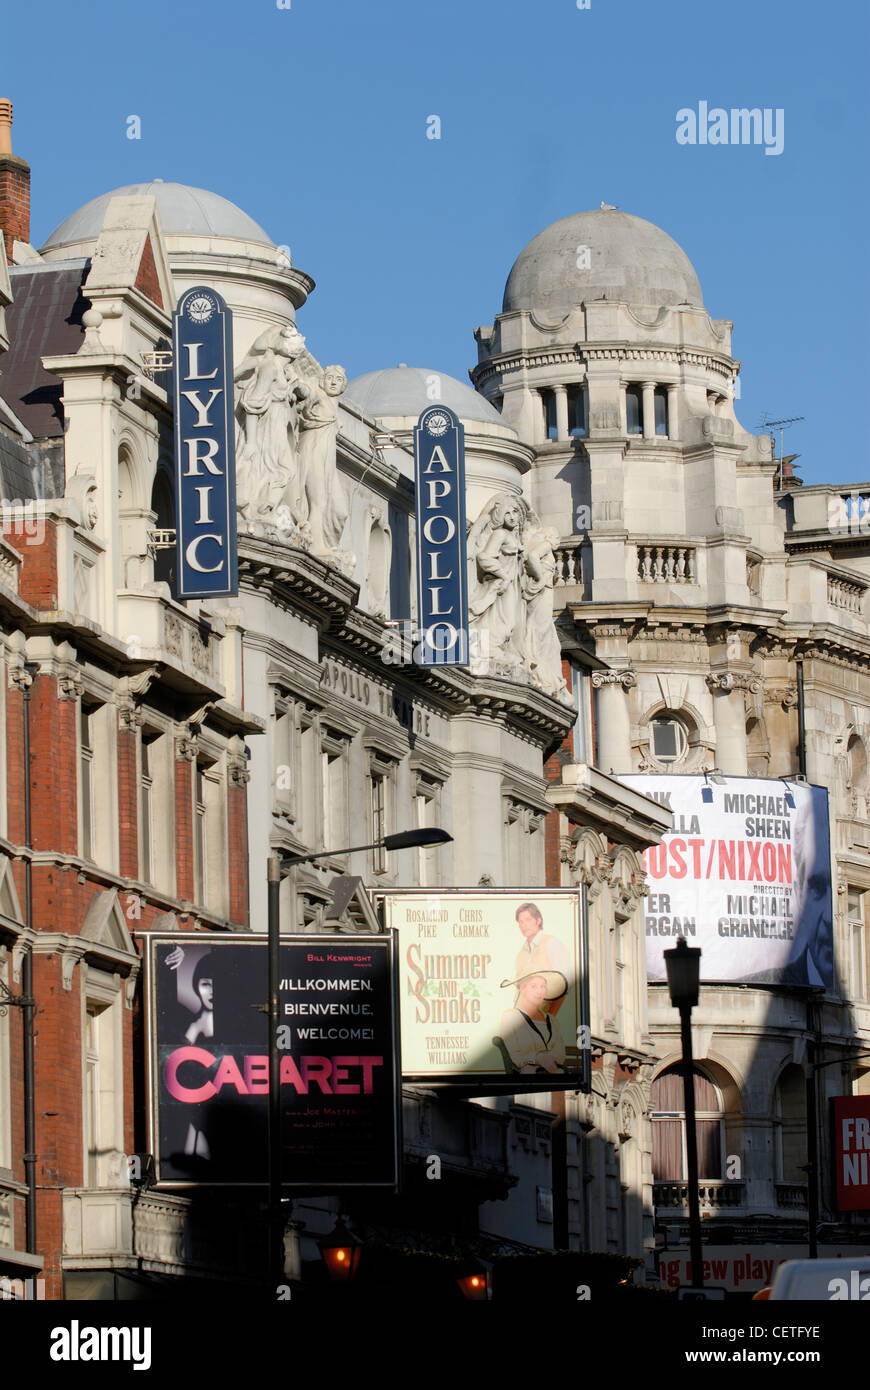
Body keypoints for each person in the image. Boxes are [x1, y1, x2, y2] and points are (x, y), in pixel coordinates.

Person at [499, 972, 567, 1073]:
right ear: (522, 989)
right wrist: (536, 1059)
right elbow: (514, 1056)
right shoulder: (510, 1017)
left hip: (554, 1074)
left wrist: (549, 1061)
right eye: (534, 987)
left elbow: (561, 1054)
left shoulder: (552, 1020)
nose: (539, 991)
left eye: (543, 987)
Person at [513, 902, 572, 1016]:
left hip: (546, 1018)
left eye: (528, 919)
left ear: (538, 920)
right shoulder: (521, 954)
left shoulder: (551, 943)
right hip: (523, 1020)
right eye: (521, 922)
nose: (524, 925)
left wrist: (550, 1018)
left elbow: (565, 985)